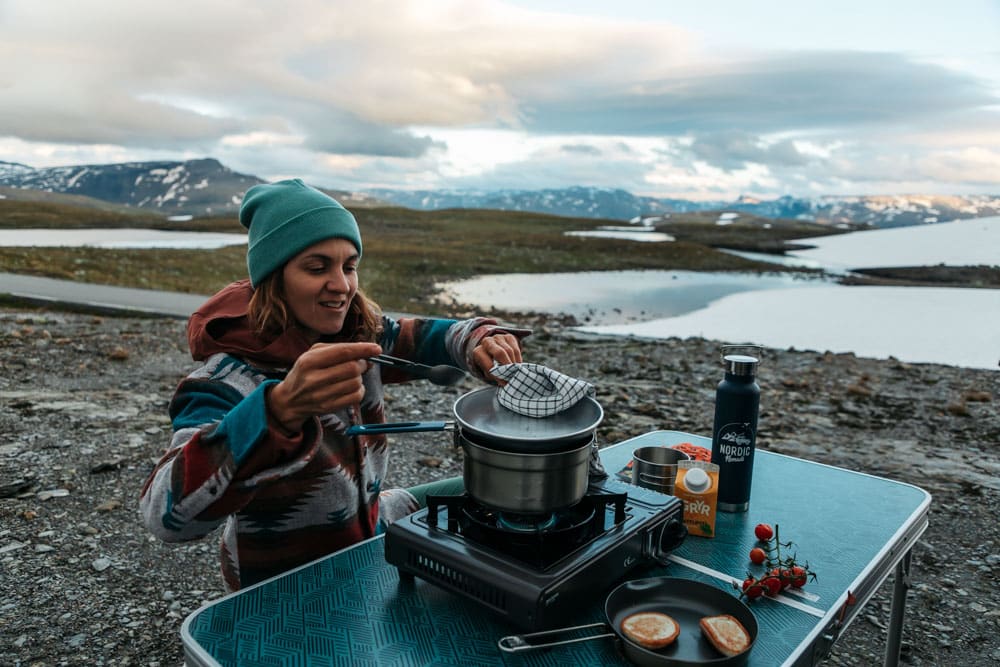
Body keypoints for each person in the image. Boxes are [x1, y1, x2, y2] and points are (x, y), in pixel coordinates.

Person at [139, 178, 526, 590]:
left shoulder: (361, 335)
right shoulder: (224, 382)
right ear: (275, 276)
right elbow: (165, 516)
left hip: (373, 525)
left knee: (502, 490)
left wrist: (478, 340)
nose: (341, 285)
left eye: (349, 265)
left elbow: (429, 337)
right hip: (284, 583)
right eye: (317, 267)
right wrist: (279, 411)